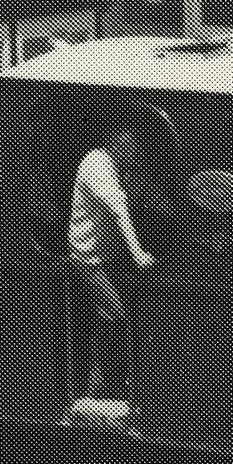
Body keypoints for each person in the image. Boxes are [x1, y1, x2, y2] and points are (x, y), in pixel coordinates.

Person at [69, 129, 154, 399]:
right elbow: (118, 211)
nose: (136, 155)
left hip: (110, 259)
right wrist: (138, 252)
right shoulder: (97, 166)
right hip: (90, 261)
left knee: (119, 317)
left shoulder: (115, 165)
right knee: (114, 315)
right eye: (132, 148)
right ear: (118, 143)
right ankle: (102, 391)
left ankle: (114, 385)